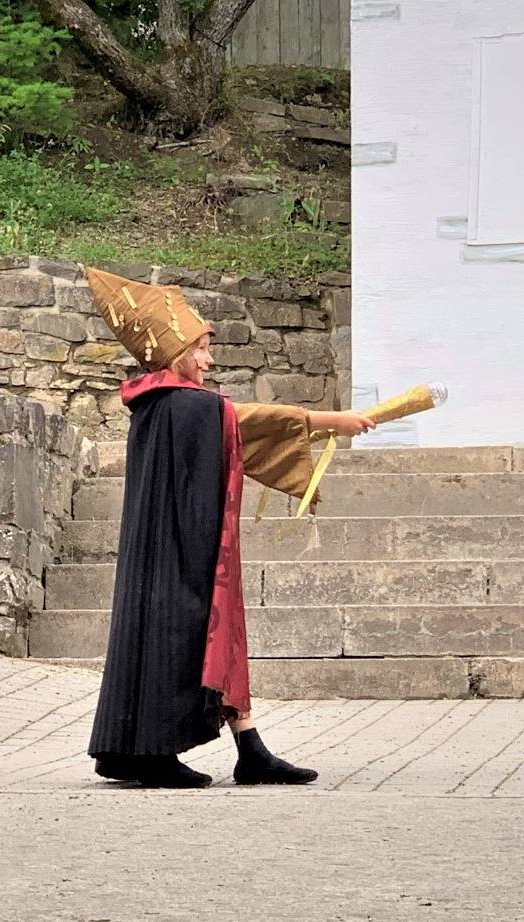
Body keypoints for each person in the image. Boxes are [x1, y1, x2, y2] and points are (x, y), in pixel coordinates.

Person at [82, 267, 375, 788]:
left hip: (171, 548)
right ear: (174, 352)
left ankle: (245, 749)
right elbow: (245, 419)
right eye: (200, 349)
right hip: (177, 555)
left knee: (215, 632)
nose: (209, 359)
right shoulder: (182, 405)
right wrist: (335, 421)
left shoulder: (157, 404)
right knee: (186, 633)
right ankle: (153, 755)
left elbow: (234, 428)